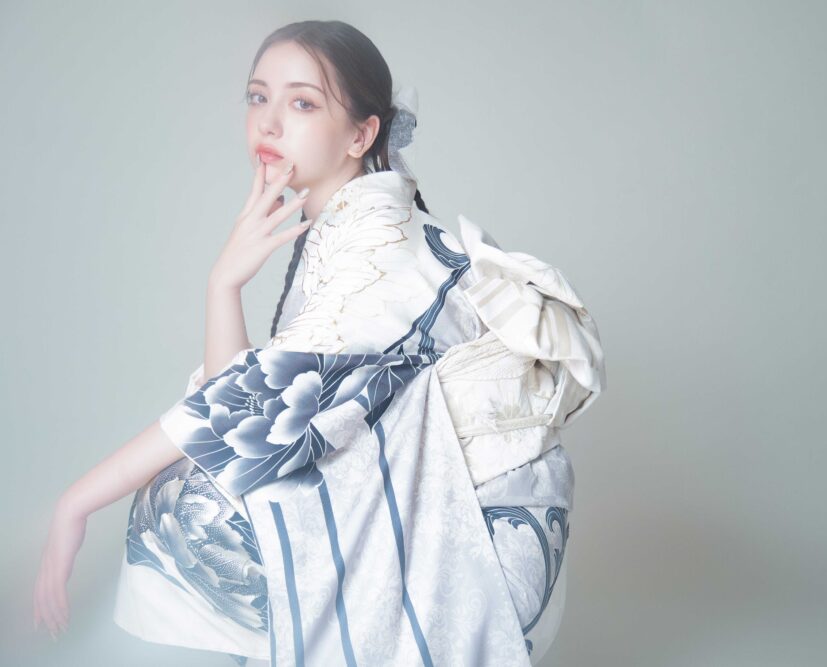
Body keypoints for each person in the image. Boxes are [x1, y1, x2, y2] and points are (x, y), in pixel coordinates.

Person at [33, 20, 606, 667]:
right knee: (205, 481)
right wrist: (224, 285)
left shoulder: (382, 244)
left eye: (302, 103)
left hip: (475, 554)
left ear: (361, 135)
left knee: (182, 504)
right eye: (258, 96)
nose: (269, 122)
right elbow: (240, 410)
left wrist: (76, 502)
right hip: (417, 508)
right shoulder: (341, 221)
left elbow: (245, 413)